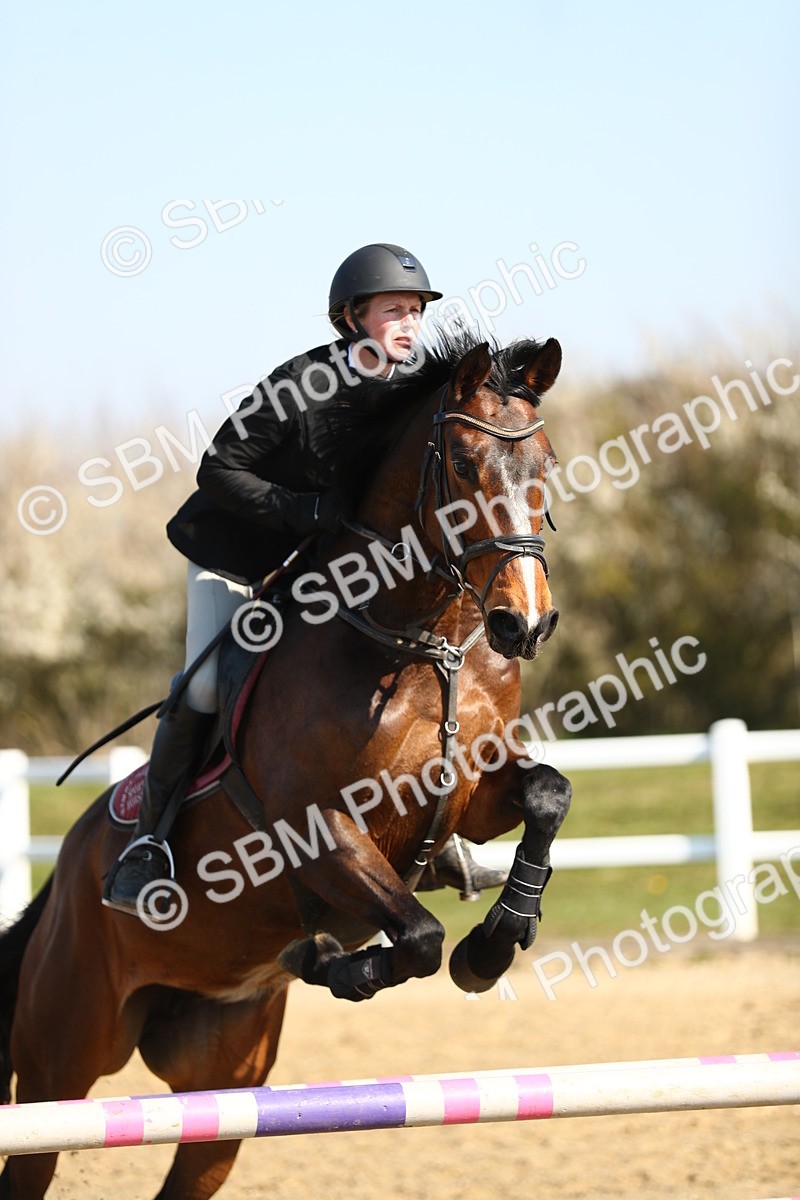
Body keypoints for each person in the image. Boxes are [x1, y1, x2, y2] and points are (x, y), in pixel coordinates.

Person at [102, 243, 507, 915]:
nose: (409, 324)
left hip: (330, 569)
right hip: (239, 556)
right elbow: (220, 468)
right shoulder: (302, 383)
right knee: (204, 683)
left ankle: (431, 839)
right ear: (351, 318)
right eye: (394, 311)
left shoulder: (414, 397)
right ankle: (150, 844)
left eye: (415, 311)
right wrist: (305, 512)